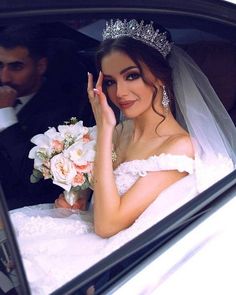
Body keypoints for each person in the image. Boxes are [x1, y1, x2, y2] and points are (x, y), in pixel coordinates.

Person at [9, 19, 236, 294]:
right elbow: (94, 198)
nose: (119, 93)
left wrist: (105, 129)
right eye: (111, 81)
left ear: (160, 76)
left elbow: (106, 226)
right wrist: (78, 197)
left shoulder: (178, 147)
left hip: (118, 262)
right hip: (87, 237)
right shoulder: (122, 129)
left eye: (131, 76)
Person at [0, 24, 95, 209]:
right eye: (0, 66)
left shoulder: (64, 110)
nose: (5, 77)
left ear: (41, 66)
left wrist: (5, 115)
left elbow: (37, 182)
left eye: (16, 67)